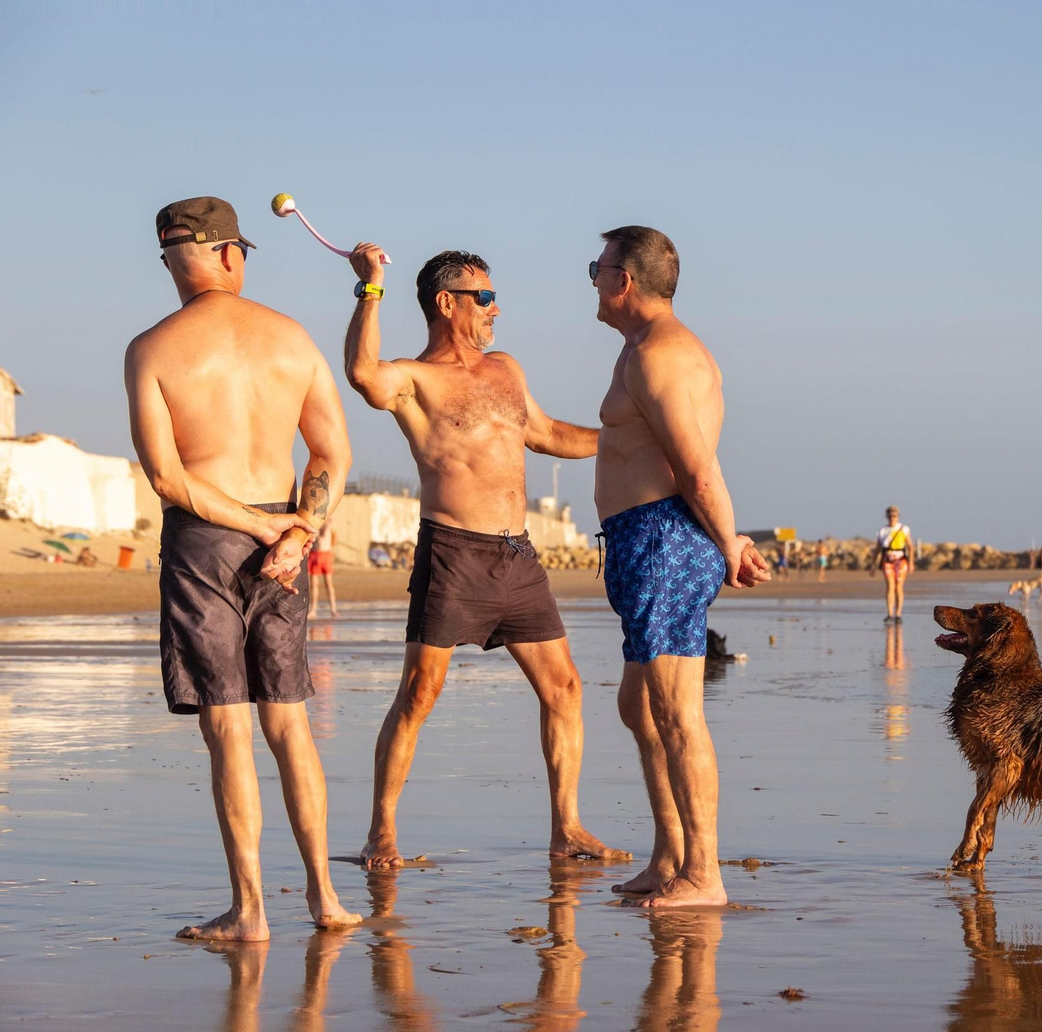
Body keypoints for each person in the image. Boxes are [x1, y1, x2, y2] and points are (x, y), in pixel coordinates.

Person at [343, 241, 624, 870]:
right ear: (447, 303)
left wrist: (630, 439)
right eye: (485, 297)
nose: (497, 308)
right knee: (420, 692)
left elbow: (548, 435)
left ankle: (567, 827)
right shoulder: (415, 380)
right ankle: (381, 832)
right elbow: (363, 374)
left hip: (517, 557)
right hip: (453, 554)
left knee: (566, 688)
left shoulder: (507, 369)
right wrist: (370, 288)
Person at [126, 197, 359, 940]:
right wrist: (297, 532)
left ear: (174, 261)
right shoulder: (290, 338)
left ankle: (251, 912)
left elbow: (167, 477)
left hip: (205, 540)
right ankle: (326, 899)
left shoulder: (152, 349)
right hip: (282, 542)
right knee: (290, 724)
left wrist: (258, 525)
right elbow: (331, 454)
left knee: (228, 730)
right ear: (232, 254)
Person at [591, 224, 771, 907]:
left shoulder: (660, 356)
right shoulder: (644, 350)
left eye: (596, 266)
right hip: (646, 540)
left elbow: (696, 466)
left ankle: (705, 872)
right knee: (638, 705)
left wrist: (729, 541)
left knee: (676, 712)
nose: (591, 279)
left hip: (664, 541)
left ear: (624, 280)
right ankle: (671, 855)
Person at [868, 506, 916, 620]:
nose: (892, 518)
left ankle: (898, 614)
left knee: (899, 586)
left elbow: (910, 546)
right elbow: (877, 549)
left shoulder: (904, 529)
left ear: (898, 516)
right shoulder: (882, 531)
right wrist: (873, 564)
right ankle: (890, 613)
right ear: (887, 517)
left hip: (901, 560)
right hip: (887, 560)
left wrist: (911, 563)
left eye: (894, 516)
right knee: (890, 586)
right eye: (890, 516)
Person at [306, 517, 339, 619]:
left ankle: (333, 609)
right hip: (314, 555)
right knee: (314, 584)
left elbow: (332, 537)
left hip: (326, 554)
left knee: (328, 583)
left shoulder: (330, 522)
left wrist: (331, 551)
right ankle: (313, 610)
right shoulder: (313, 521)